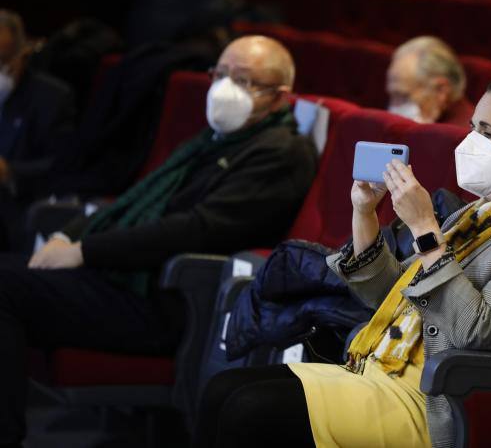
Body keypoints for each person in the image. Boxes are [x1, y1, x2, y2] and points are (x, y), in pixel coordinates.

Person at [195, 70, 491, 448]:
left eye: (487, 133)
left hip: (435, 400)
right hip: (382, 369)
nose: (471, 141)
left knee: (249, 411)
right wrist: (365, 215)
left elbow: (480, 332)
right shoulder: (475, 215)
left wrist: (425, 231)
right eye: (472, 127)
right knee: (223, 391)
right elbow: (391, 296)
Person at [0, 36, 317, 447]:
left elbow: (198, 229)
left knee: (5, 287)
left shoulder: (280, 154)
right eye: (220, 74)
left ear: (279, 97)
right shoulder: (213, 140)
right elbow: (137, 197)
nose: (225, 88)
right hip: (128, 279)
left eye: (243, 80)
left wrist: (83, 251)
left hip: (170, 301)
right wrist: (67, 234)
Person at [0, 9, 76, 250]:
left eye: (2, 60)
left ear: (22, 55)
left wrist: (10, 172)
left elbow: (63, 164)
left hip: (14, 209)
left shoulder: (51, 98)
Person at [386, 36, 473, 125]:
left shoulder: (461, 134)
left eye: (404, 97)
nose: (393, 108)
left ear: (441, 91)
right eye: (393, 96)